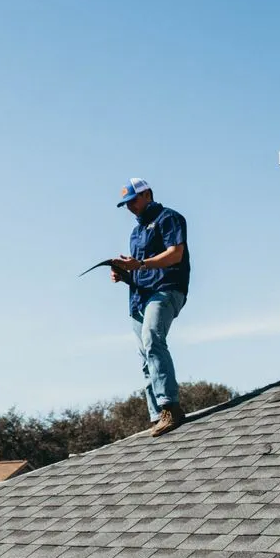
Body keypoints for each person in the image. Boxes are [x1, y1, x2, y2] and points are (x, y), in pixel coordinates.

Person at [110, 178, 191, 437]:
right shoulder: (136, 232)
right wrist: (125, 275)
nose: (130, 207)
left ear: (147, 194)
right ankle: (156, 415)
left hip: (166, 290)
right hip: (139, 298)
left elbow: (175, 254)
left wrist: (140, 264)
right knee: (145, 355)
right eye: (126, 204)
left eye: (133, 200)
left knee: (152, 339)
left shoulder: (170, 218)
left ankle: (171, 408)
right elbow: (140, 269)